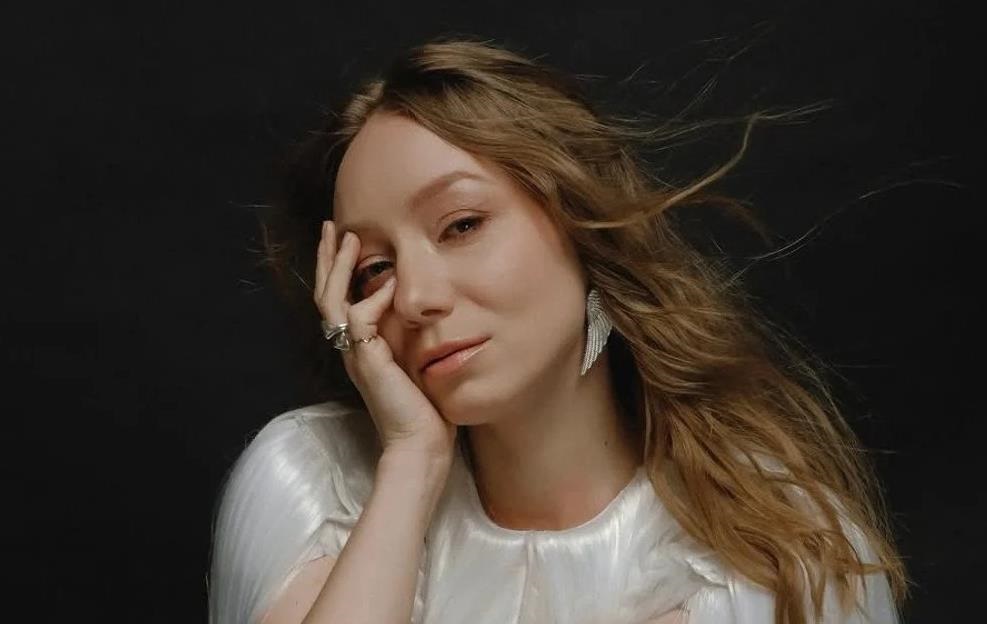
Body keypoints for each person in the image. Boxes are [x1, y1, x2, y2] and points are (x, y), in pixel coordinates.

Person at [208, 37, 908, 624]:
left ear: (580, 227)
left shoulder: (763, 563)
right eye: (375, 269)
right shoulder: (319, 490)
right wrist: (411, 463)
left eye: (461, 225)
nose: (414, 298)